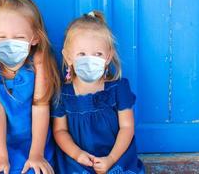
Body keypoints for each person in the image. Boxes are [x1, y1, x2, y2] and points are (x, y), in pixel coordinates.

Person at [0, 0, 60, 174]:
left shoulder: (39, 62)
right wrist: (0, 156)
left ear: (35, 38)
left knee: (35, 170)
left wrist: (36, 154)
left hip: (34, 142)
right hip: (1, 143)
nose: (9, 43)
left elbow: (40, 106)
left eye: (19, 37)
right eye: (1, 37)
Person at [53, 10, 145, 173]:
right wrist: (77, 154)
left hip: (115, 157)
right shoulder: (63, 94)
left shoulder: (118, 89)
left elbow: (127, 127)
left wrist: (111, 159)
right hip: (78, 160)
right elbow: (60, 131)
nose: (89, 60)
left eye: (98, 54)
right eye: (81, 54)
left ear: (108, 57)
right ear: (68, 57)